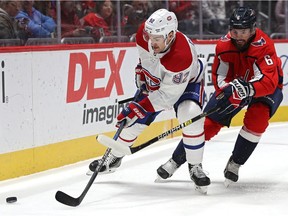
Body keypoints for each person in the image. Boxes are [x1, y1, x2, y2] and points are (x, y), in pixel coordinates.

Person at [157, 6, 283, 186]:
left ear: (253, 29)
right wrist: (227, 90)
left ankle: (235, 163)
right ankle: (175, 160)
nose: (239, 36)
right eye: (235, 31)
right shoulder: (224, 45)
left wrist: (247, 89)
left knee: (258, 120)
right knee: (207, 123)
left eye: (244, 31)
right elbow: (219, 76)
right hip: (235, 86)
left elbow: (269, 80)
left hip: (265, 89)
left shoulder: (264, 46)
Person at [89, 8, 211, 192]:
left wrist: (140, 106)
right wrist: (143, 72)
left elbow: (168, 98)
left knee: (190, 114)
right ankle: (114, 157)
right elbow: (147, 59)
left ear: (170, 35)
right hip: (162, 79)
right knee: (134, 120)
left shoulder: (181, 56)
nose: (151, 42)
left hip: (187, 83)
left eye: (156, 38)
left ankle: (195, 166)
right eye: (150, 36)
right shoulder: (144, 34)